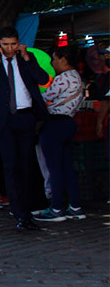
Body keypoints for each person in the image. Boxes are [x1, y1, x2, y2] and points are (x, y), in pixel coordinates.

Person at [0, 26, 49, 231]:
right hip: (4, 121)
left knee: (27, 165)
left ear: (19, 43)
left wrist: (26, 58)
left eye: (13, 44)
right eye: (5, 44)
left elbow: (43, 79)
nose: (9, 48)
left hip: (26, 117)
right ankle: (20, 214)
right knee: (10, 165)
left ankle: (29, 207)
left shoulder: (27, 58)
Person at [34, 46, 87, 222]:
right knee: (66, 166)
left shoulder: (64, 78)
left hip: (55, 124)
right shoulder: (78, 78)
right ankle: (75, 206)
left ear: (63, 59)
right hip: (68, 123)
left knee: (54, 167)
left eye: (54, 59)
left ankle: (56, 208)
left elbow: (44, 96)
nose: (53, 63)